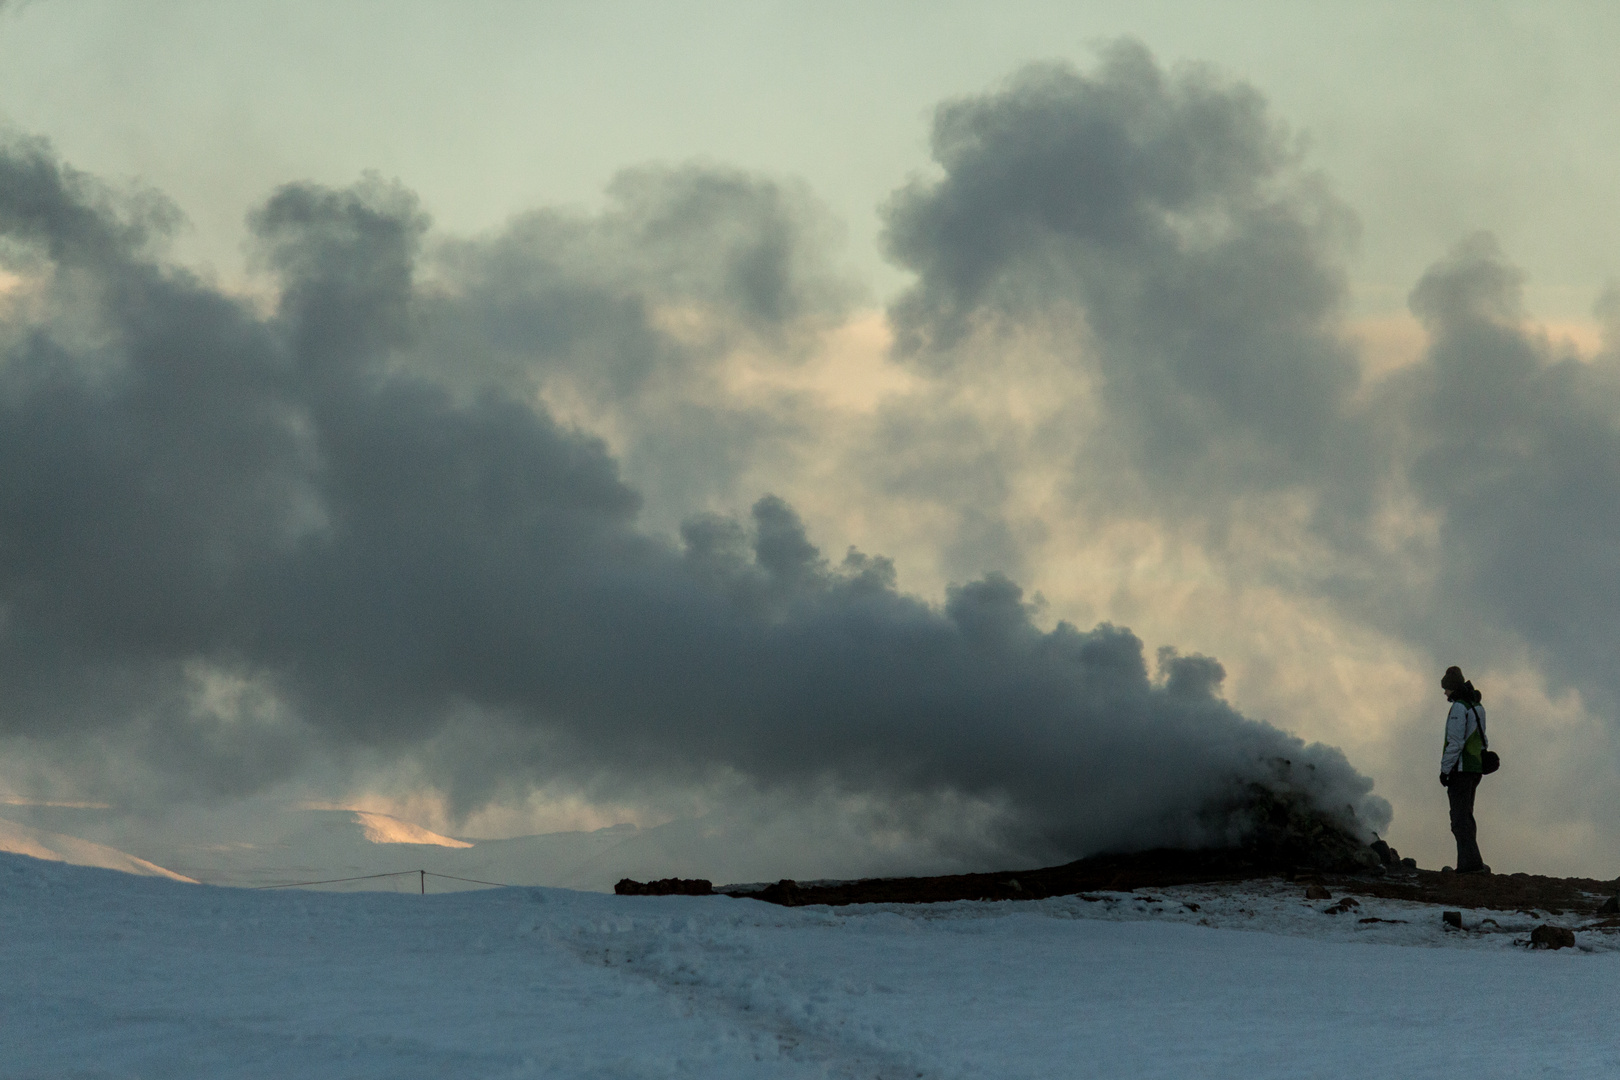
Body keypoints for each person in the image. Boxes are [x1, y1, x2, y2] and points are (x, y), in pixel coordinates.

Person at [1438, 665, 1489, 873]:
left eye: (1446, 689)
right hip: (1475, 768)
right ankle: (1469, 863)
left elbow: (1455, 742)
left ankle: (1470, 866)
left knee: (1459, 820)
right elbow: (1482, 738)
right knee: (1467, 816)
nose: (1445, 693)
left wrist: (1445, 769)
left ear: (1453, 687)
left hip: (1461, 769)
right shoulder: (1477, 706)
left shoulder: (1459, 708)